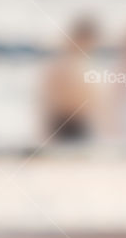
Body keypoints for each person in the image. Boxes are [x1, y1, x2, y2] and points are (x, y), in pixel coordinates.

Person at [40, 16, 101, 145]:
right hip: (62, 120)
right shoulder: (61, 63)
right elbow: (47, 99)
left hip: (80, 122)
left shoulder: (84, 64)